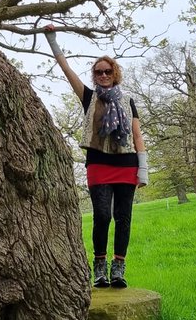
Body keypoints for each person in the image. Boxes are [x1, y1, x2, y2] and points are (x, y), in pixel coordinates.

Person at [43, 26, 147, 289]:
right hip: (99, 164)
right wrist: (52, 40)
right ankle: (99, 267)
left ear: (115, 74)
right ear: (94, 75)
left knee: (124, 217)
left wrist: (142, 169)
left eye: (107, 71)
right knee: (102, 216)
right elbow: (67, 71)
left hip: (126, 164)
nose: (102, 75)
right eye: (98, 72)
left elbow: (137, 135)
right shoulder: (89, 97)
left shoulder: (127, 101)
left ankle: (119, 269)